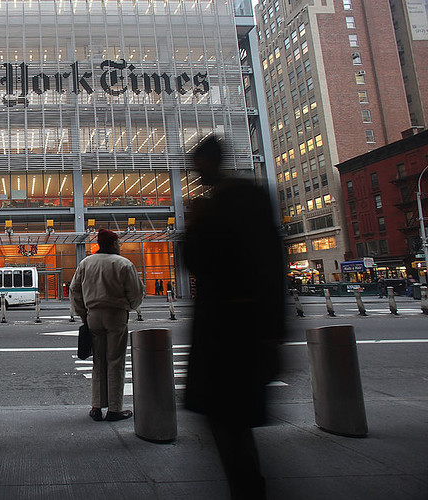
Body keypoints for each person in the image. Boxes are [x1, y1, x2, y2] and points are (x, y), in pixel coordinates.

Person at [183, 136, 285, 500]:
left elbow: (200, 261)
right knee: (234, 424)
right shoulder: (253, 196)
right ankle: (248, 486)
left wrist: (193, 228)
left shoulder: (218, 206)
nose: (194, 173)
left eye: (196, 165)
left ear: (210, 162)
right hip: (248, 329)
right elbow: (274, 264)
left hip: (226, 334)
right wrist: (275, 332)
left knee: (228, 423)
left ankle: (248, 489)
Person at [69, 229, 144, 422]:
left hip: (93, 315)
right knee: (115, 361)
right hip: (116, 314)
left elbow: (74, 290)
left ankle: (96, 407)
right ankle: (115, 409)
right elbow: (136, 293)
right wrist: (128, 306)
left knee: (98, 362)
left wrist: (83, 314)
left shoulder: (85, 263)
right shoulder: (123, 263)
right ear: (113, 244)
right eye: (118, 243)